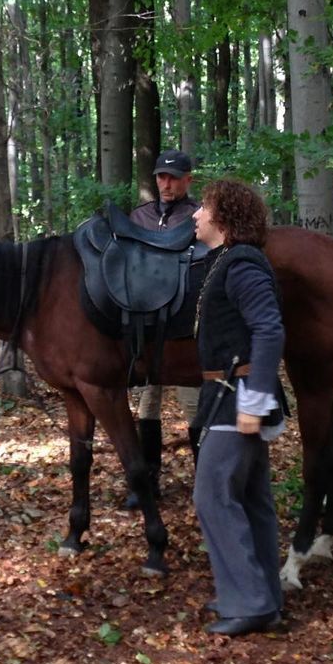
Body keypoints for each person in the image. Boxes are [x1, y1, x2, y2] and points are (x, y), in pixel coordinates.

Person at [191, 178, 285, 636]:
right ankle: (261, 593)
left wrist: (256, 400)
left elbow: (269, 331)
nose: (195, 215)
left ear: (223, 218)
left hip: (239, 396)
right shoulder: (225, 261)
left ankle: (250, 601)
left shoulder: (242, 264)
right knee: (251, 499)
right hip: (231, 394)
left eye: (203, 208)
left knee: (212, 494)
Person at [125, 149, 200, 506]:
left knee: (194, 405)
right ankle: (148, 481)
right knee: (148, 403)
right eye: (160, 177)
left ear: (188, 179)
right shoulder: (139, 217)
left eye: (172, 177)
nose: (166, 184)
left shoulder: (200, 217)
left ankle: (206, 482)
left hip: (185, 330)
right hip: (146, 327)